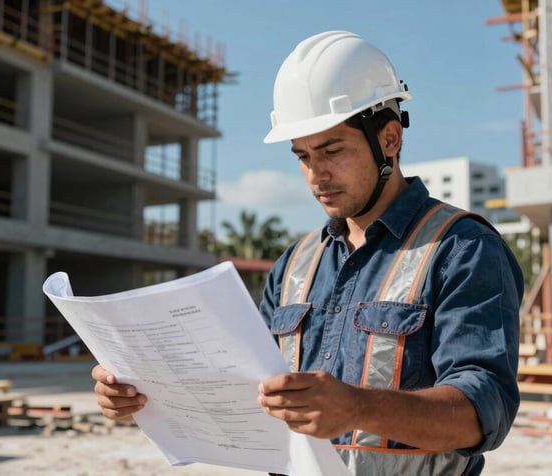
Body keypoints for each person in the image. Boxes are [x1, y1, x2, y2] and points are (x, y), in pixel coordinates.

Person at [92, 30, 523, 476]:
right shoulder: (296, 264)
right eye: (302, 156)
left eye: (332, 150)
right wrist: (147, 394)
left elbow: (483, 409)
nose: (317, 175)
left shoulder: (463, 248)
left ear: (389, 140)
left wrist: (358, 407)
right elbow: (245, 388)